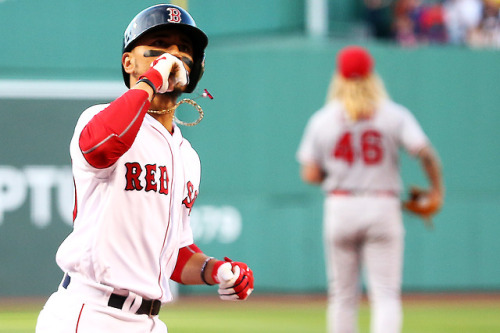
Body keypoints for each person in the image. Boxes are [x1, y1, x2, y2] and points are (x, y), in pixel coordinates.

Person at [36, 4, 254, 332]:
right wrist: (153, 77)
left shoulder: (187, 156)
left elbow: (175, 253)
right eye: (161, 44)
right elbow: (100, 146)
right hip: (91, 312)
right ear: (128, 61)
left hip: (148, 320)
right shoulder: (99, 117)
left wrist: (215, 270)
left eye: (184, 49)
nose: (174, 54)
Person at [296, 46, 443, 333]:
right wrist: (436, 189)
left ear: (339, 77)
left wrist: (339, 172)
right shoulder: (393, 114)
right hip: (382, 205)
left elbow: (310, 173)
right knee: (385, 295)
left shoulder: (323, 118)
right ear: (372, 76)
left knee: (342, 296)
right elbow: (425, 154)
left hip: (341, 207)